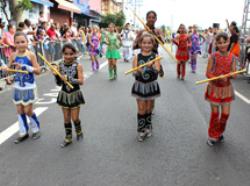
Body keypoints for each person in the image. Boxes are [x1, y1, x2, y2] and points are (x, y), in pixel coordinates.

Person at [7, 32, 41, 143]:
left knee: (28, 110)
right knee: (19, 110)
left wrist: (26, 67)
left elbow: (38, 71)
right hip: (17, 87)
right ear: (14, 43)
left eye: (23, 41)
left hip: (29, 86)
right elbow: (9, 69)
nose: (20, 44)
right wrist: (8, 74)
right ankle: (23, 132)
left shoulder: (31, 55)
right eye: (17, 42)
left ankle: (36, 128)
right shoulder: (13, 55)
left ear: (27, 42)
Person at [205, 32, 237, 146]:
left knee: (225, 114)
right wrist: (217, 78)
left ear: (229, 42)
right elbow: (208, 73)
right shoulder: (213, 56)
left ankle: (219, 132)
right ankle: (212, 135)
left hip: (226, 89)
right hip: (214, 88)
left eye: (225, 42)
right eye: (220, 43)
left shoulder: (233, 57)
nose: (223, 45)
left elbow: (234, 74)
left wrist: (232, 75)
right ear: (216, 44)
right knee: (215, 114)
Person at [53, 43, 85, 148]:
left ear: (74, 54)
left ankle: (78, 130)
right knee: (66, 118)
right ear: (63, 54)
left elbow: (81, 81)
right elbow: (58, 83)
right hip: (64, 94)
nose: (68, 56)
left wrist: (69, 79)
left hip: (75, 94)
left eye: (71, 54)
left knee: (75, 118)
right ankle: (68, 137)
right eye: (66, 54)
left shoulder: (78, 66)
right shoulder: (60, 65)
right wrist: (56, 75)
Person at [131, 33, 161, 142]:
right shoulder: (137, 57)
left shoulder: (155, 57)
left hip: (151, 86)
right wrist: (138, 71)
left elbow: (157, 71)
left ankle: (148, 126)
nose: (146, 45)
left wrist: (151, 67)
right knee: (141, 108)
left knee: (149, 108)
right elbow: (133, 73)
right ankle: (141, 130)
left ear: (152, 44)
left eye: (149, 43)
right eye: (144, 43)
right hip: (140, 85)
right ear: (140, 44)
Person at [133, 11, 165, 77]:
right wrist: (143, 42)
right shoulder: (141, 31)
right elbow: (134, 45)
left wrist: (155, 35)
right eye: (149, 17)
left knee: (152, 76)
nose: (151, 19)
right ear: (146, 18)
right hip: (142, 57)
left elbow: (162, 42)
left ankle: (159, 67)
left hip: (153, 57)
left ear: (156, 19)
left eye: (153, 17)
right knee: (140, 76)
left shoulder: (158, 31)